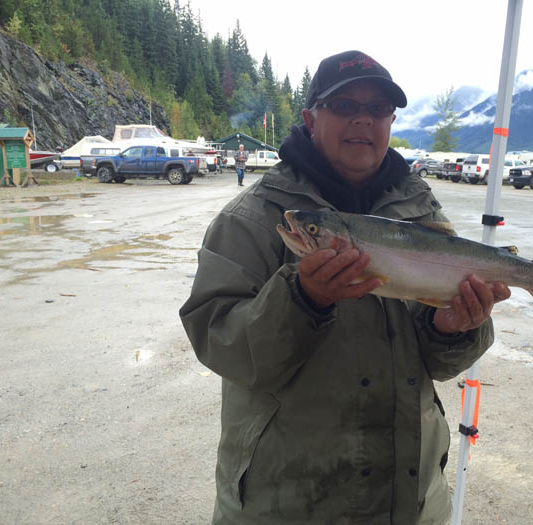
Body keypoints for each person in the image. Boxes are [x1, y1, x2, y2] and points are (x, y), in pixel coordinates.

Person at [180, 50, 511, 524]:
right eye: (345, 106)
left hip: (411, 501)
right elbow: (220, 345)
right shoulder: (253, 219)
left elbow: (440, 364)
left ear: (391, 121)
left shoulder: (421, 211)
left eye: (378, 109)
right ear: (311, 118)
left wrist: (454, 328)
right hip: (288, 504)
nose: (363, 120)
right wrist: (301, 300)